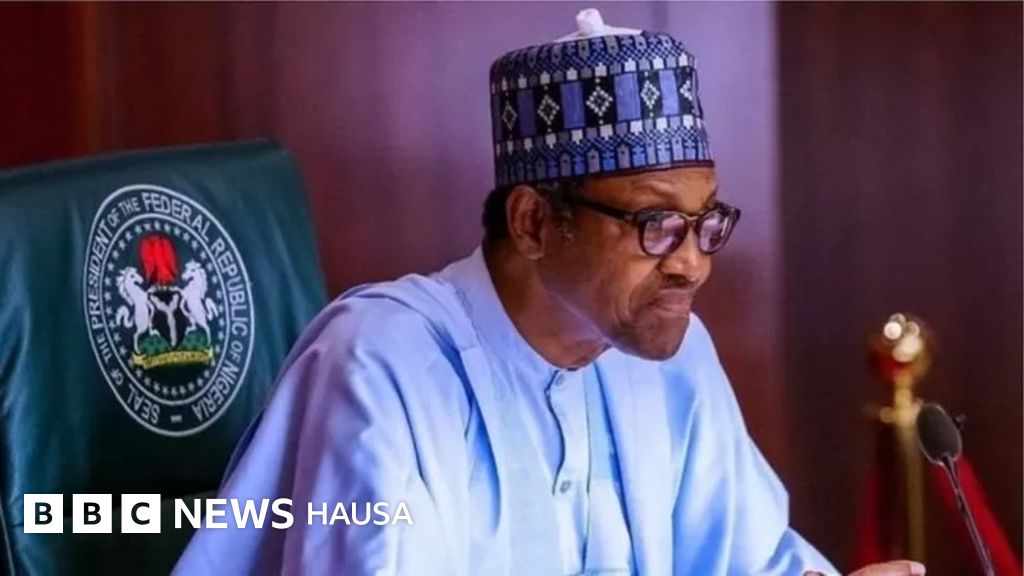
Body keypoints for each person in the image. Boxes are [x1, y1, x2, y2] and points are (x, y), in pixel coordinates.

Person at [175, 9, 926, 576]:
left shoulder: (668, 350)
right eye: (657, 224)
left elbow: (748, 557)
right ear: (534, 222)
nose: (692, 265)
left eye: (705, 224)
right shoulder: (380, 365)